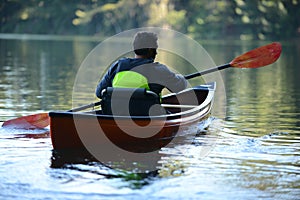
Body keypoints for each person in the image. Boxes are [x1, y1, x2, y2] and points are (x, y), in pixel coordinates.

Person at [95, 31, 187, 99]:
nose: (157, 52)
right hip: (148, 119)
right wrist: (180, 77)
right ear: (151, 49)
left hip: (116, 116)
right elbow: (179, 87)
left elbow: (99, 93)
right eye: (156, 48)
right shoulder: (159, 70)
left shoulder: (118, 65)